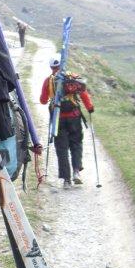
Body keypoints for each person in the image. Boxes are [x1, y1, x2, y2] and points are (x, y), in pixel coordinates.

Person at [40, 53, 94, 188]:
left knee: (62, 148)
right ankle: (76, 171)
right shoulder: (72, 77)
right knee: (76, 143)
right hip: (74, 116)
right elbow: (84, 94)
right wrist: (90, 108)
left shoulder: (49, 80)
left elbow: (42, 100)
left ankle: (66, 180)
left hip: (58, 119)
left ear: (51, 66)